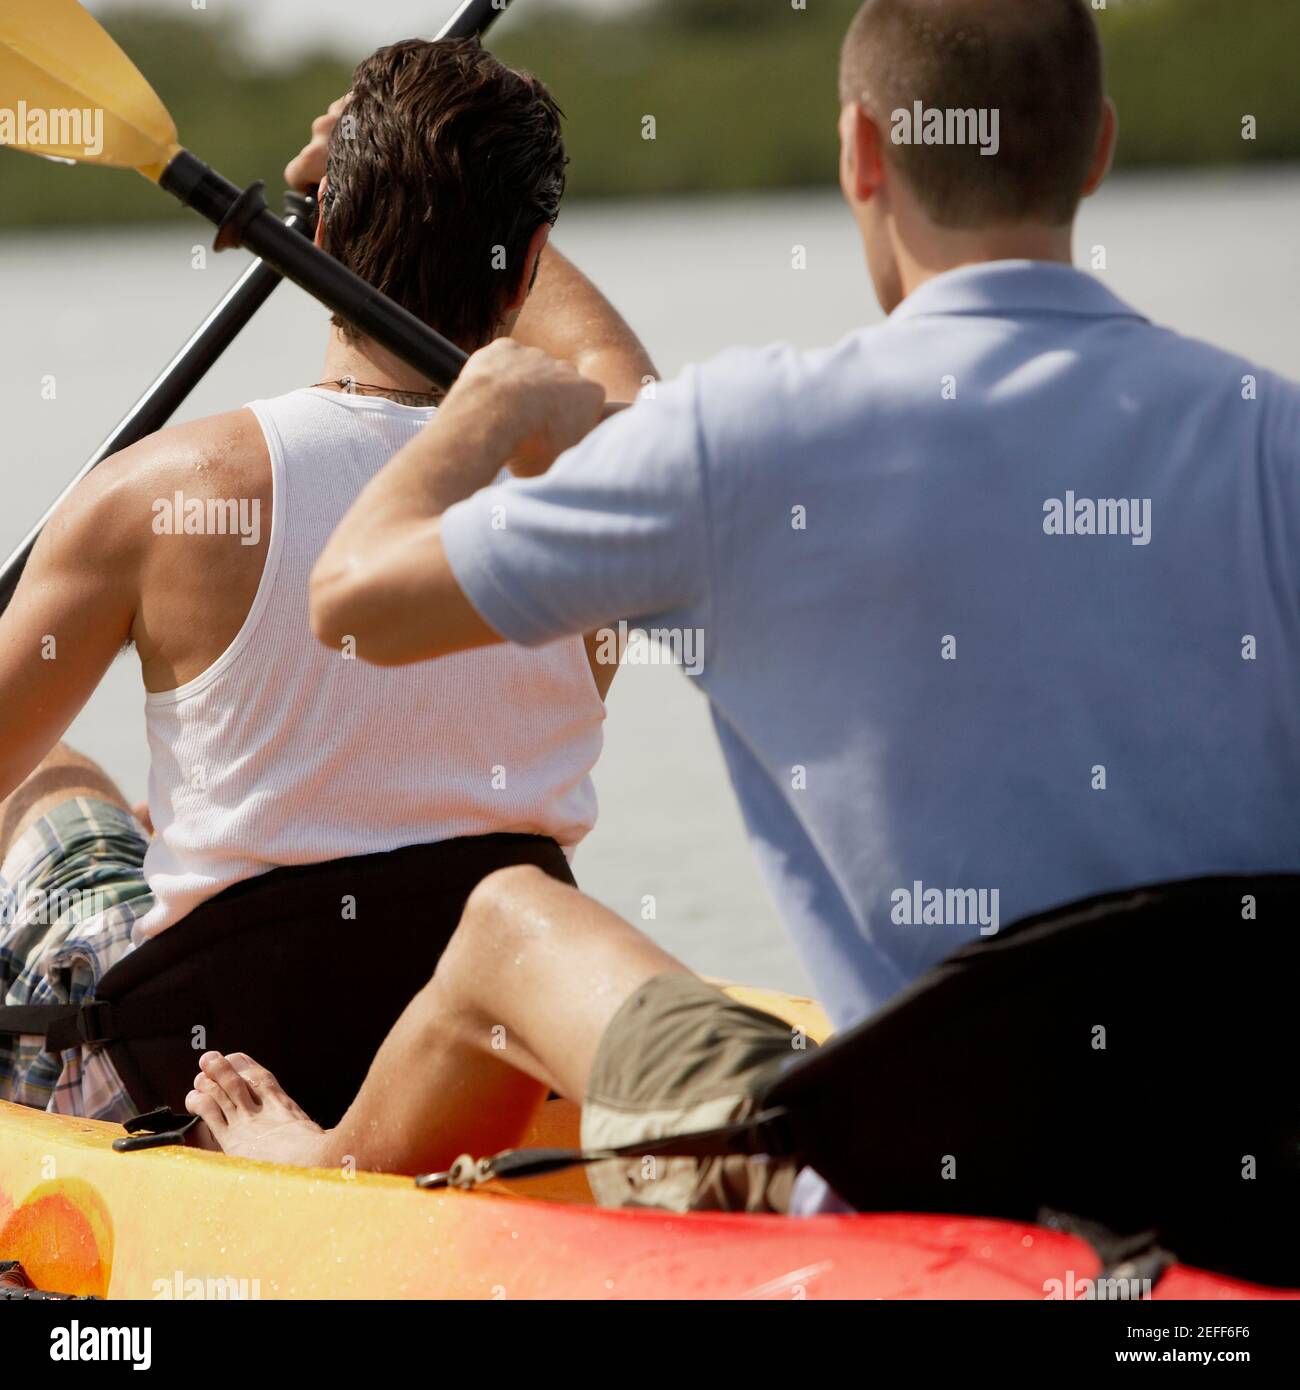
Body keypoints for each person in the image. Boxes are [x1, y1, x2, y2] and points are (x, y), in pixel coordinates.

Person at [190, 0, 1300, 1224]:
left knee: (511, 918)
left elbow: (356, 602)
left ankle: (317, 1170)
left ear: (859, 155)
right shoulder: (1276, 438)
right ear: (1095, 147)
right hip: (1232, 1135)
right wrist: (458, 212)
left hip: (922, 1169)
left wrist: (474, 402)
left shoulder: (736, 446)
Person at [0, 37, 654, 1123]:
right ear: (529, 260)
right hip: (476, 1045)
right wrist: (474, 213)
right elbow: (623, 377)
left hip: (186, 1069)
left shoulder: (161, 489)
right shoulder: (606, 492)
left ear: (327, 231)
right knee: (132, 813)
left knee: (51, 781)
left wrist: (376, 189)